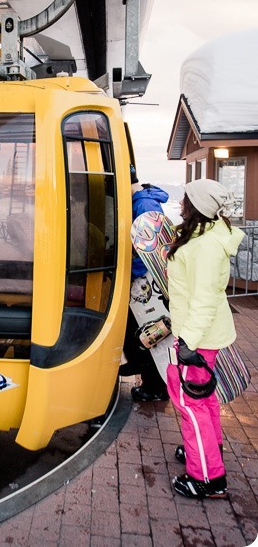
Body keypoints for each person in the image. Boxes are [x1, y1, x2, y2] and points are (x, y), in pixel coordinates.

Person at [166, 179, 244, 499]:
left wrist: (188, 343)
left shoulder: (204, 247)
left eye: (185, 200)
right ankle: (205, 449)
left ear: (197, 206)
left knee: (190, 403)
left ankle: (207, 478)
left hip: (196, 338)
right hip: (200, 335)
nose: (181, 204)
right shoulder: (206, 234)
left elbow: (204, 299)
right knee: (205, 400)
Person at [119, 165, 170, 402]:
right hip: (142, 282)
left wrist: (127, 269)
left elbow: (151, 252)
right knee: (134, 328)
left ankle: (155, 387)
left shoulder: (143, 206)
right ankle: (139, 366)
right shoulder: (142, 202)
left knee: (149, 332)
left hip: (145, 283)